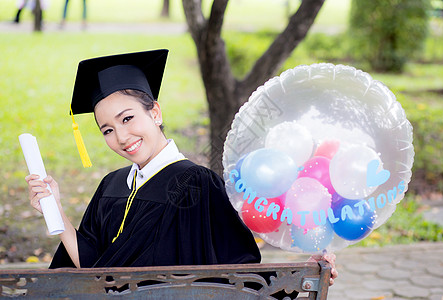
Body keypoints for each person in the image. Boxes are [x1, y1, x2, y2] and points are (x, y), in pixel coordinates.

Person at [26, 49, 337, 287]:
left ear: (155, 112)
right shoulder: (111, 186)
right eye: (107, 130)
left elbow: (237, 275)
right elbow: (95, 275)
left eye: (127, 118)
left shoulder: (197, 185)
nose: (121, 137)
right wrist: (57, 213)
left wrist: (303, 273)